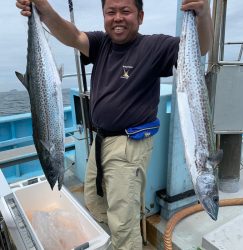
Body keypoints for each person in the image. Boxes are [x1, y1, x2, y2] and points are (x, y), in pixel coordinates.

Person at [16, 0, 213, 249]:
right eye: (111, 12)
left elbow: (200, 49)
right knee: (95, 202)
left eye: (125, 11)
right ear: (104, 16)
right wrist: (43, 11)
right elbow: (72, 35)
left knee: (123, 221)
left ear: (140, 16)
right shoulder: (101, 44)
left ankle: (126, 243)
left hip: (128, 147)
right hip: (100, 142)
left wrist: (203, 14)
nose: (117, 17)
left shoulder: (154, 46)